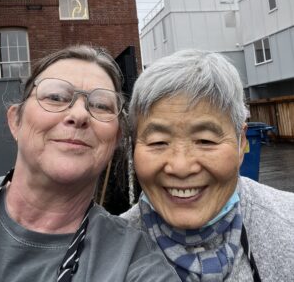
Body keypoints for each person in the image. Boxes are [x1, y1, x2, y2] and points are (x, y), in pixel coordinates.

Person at [0, 45, 181, 282]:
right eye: (56, 97)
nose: (80, 114)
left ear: (115, 139)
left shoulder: (133, 260)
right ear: (15, 120)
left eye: (101, 105)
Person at [121, 49, 294, 281]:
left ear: (241, 142)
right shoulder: (105, 252)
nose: (181, 167)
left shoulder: (287, 224)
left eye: (205, 140)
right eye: (158, 142)